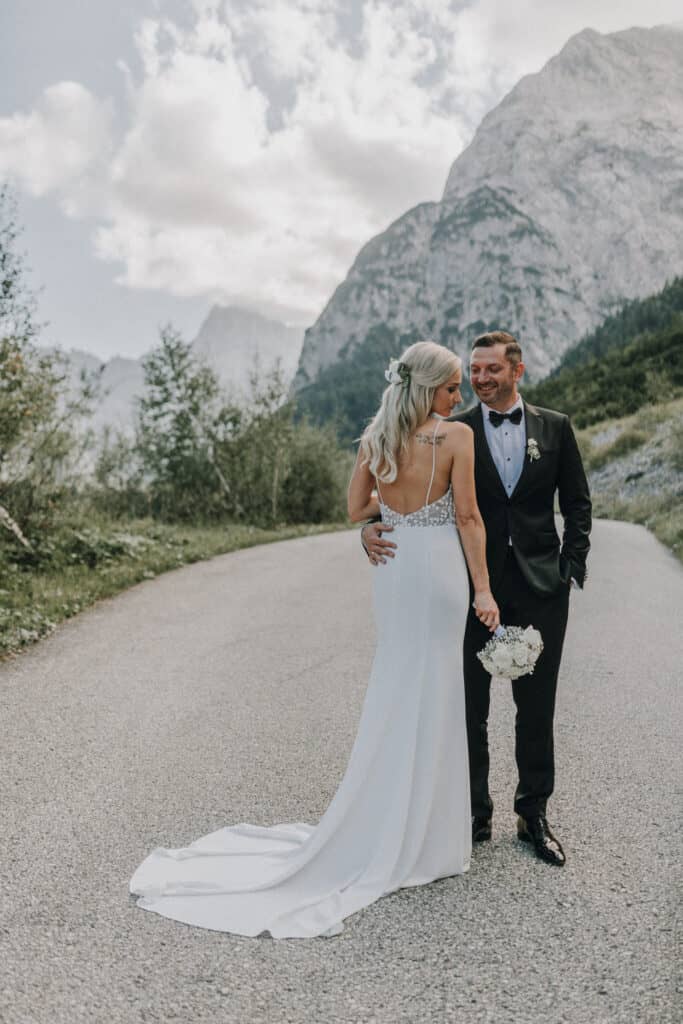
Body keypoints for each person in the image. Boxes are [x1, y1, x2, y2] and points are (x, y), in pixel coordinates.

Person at [129, 340, 499, 938]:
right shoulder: (455, 437)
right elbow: (468, 517)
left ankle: (383, 821)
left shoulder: (376, 437)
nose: (458, 397)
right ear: (430, 388)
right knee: (436, 688)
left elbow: (357, 508)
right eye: (452, 387)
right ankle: (430, 838)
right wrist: (483, 590)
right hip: (438, 573)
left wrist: (392, 513)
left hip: (395, 569)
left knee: (398, 683)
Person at [363, 331, 591, 867]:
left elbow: (578, 503)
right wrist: (368, 530)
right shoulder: (450, 429)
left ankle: (533, 812)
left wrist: (570, 569)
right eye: (474, 370)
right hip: (468, 587)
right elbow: (406, 494)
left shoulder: (555, 428)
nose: (481, 379)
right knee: (468, 704)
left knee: (536, 707)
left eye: (492, 369)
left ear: (518, 370)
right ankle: (473, 813)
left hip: (542, 587)